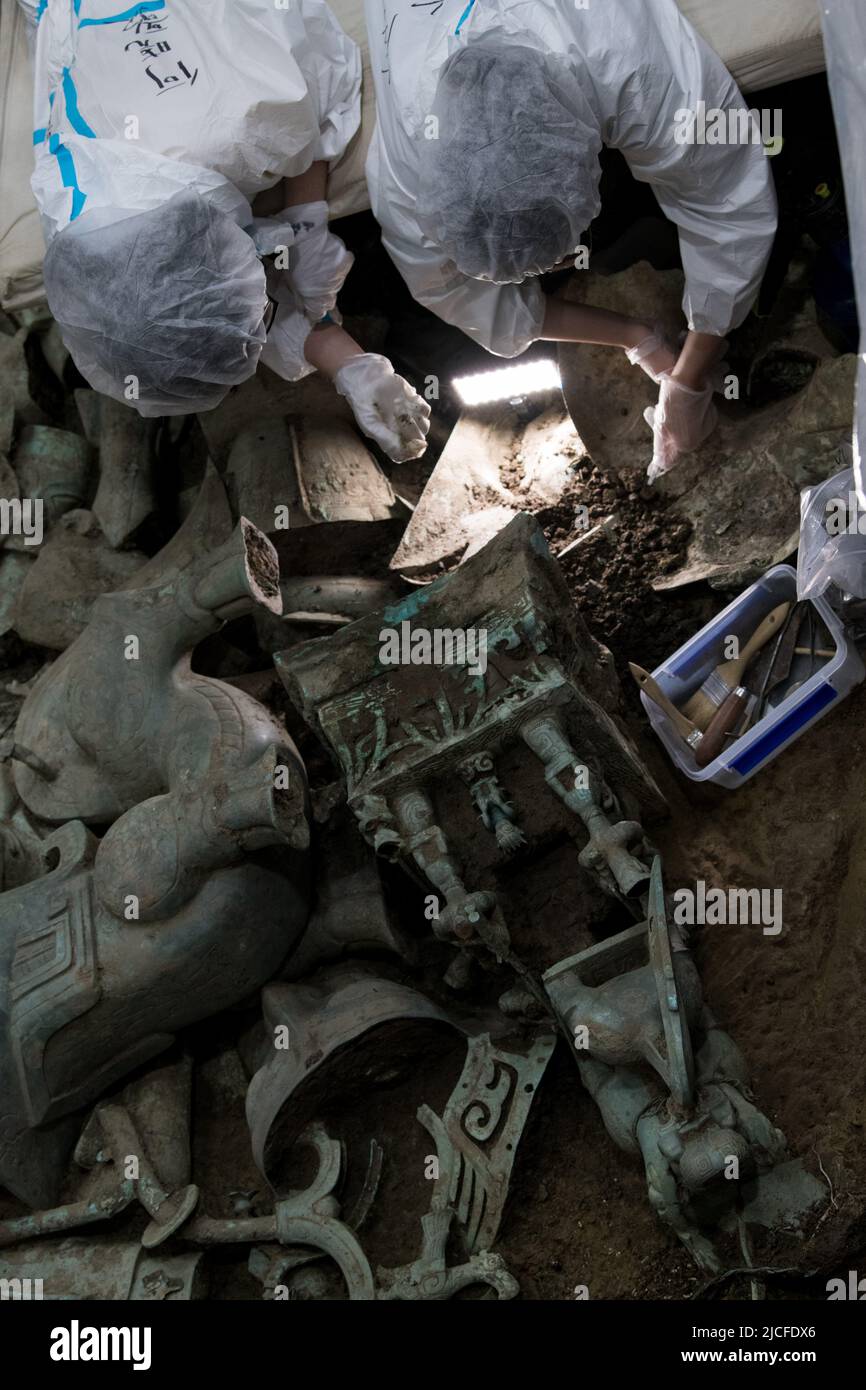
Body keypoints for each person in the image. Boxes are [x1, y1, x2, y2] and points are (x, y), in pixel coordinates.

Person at [363, 0, 778, 480]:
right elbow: (455, 294)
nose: (560, 269)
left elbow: (728, 201)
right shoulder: (406, 185)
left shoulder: (625, 62)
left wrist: (688, 380)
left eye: (557, 260)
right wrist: (637, 339)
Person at [21, 0, 430, 462]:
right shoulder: (84, 245)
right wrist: (353, 367)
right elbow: (215, 318)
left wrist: (308, 222)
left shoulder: (241, 127)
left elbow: (319, 88)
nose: (265, 303)